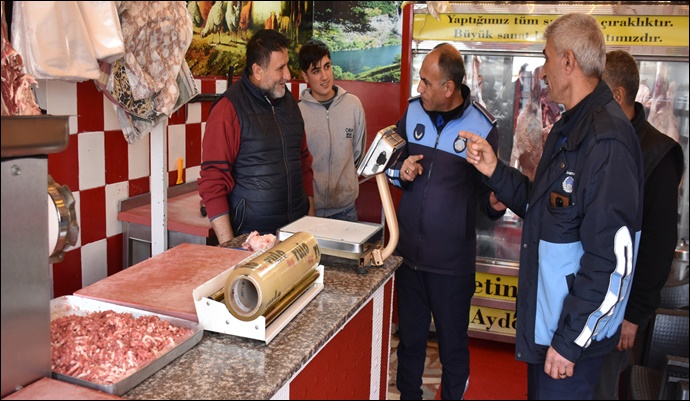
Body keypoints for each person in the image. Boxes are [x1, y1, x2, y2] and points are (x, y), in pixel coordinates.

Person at [460, 13, 644, 399]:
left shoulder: (605, 141)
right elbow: (543, 205)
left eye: (546, 59)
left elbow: (610, 259)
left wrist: (570, 340)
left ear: (568, 62)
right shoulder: (568, 127)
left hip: (569, 341)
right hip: (550, 328)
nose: (542, 71)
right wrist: (493, 168)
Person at [387, 43, 506, 400]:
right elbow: (389, 165)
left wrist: (498, 202)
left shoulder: (483, 127)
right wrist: (400, 171)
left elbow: (490, 201)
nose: (419, 89)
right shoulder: (410, 114)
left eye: (426, 82)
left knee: (453, 348)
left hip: (452, 266)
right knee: (409, 342)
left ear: (448, 88)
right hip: (407, 256)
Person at [594, 50, 684, 400]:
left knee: (604, 389)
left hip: (620, 313)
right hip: (587, 301)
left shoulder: (659, 154)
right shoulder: (598, 141)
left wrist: (633, 315)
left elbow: (659, 245)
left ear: (617, 95)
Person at [198, 29, 314, 245]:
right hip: (254, 240)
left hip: (296, 234)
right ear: (258, 70)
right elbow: (212, 181)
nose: (288, 75)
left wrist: (311, 223)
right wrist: (230, 248)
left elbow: (304, 161)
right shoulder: (228, 109)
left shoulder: (288, 102)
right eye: (280, 68)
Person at [297, 39, 366, 222]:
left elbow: (358, 154)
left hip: (347, 211)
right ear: (305, 76)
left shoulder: (353, 105)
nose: (325, 76)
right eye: (316, 71)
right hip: (309, 212)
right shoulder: (297, 112)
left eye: (327, 67)